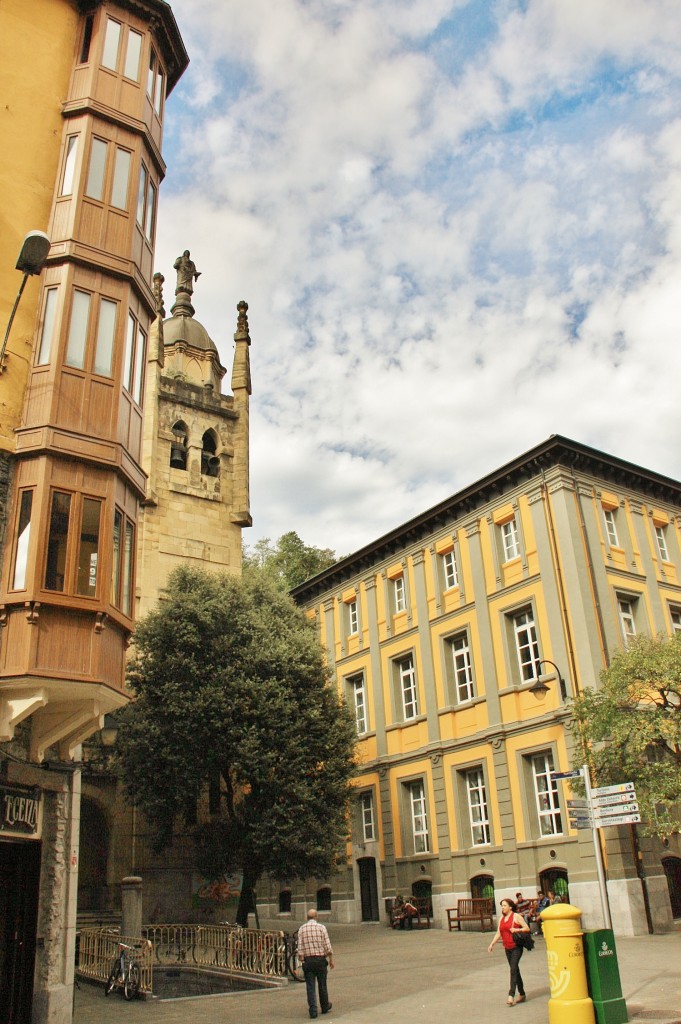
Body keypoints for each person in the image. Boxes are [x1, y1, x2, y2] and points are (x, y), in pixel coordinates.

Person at [487, 898, 531, 1006]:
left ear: (510, 907)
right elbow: (499, 933)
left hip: (516, 947)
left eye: (505, 905)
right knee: (515, 970)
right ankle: (522, 994)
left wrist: (517, 930)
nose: (503, 907)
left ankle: (511, 995)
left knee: (513, 969)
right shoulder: (502, 918)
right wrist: (492, 944)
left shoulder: (516, 916)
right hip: (507, 948)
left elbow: (527, 928)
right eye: (502, 906)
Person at [296, 909, 334, 1019]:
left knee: (310, 986)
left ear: (307, 918)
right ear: (316, 916)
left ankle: (313, 1010)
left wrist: (302, 961)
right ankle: (324, 1006)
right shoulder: (322, 928)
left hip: (308, 961)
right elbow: (328, 946)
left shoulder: (302, 929)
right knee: (322, 984)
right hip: (320, 960)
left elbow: (300, 950)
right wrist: (331, 960)